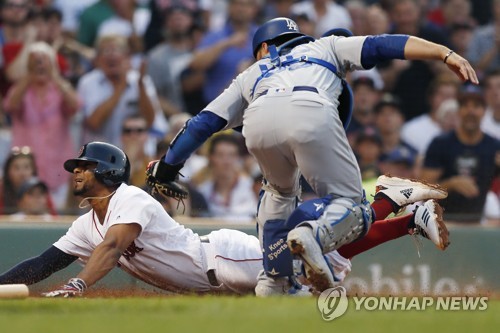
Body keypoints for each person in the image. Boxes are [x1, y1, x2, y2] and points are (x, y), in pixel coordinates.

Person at [146, 16, 477, 295]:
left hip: (258, 124)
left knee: (278, 192)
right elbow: (384, 44)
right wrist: (444, 53)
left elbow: (201, 124)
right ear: (296, 38)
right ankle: (314, 234)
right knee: (349, 203)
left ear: (263, 47)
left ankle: (274, 280)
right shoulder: (324, 45)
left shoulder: (250, 75)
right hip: (311, 111)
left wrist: (167, 166)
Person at [0, 142, 449, 296]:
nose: (76, 172)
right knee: (318, 258)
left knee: (313, 252)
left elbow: (113, 248)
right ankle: (409, 220)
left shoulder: (129, 198)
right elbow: (43, 263)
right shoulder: (86, 223)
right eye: (76, 167)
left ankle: (390, 201)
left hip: (223, 261)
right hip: (216, 275)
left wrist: (80, 285)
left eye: (84, 166)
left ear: (106, 171)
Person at [420, 88, 500, 223]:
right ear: (458, 111)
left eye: (476, 106)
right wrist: (450, 184)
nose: (471, 111)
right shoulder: (441, 144)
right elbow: (423, 193)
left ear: (484, 111)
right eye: (465, 106)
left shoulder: (493, 146)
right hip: (441, 222)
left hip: (477, 222)